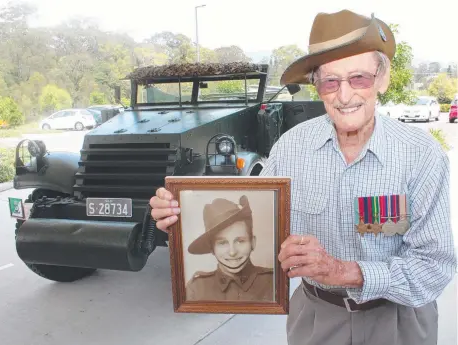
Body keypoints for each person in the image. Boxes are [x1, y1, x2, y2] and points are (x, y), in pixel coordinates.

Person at [149, 9, 456, 345]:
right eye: (330, 81)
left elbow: (433, 267)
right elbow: (256, 217)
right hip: (316, 320)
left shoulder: (420, 154)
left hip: (399, 323)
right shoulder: (292, 147)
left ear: (382, 79)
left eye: (359, 78)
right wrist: (183, 215)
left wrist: (343, 271)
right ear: (317, 86)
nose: (344, 95)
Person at [184, 195, 274, 302]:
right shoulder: (196, 289)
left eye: (240, 241)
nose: (232, 252)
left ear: (253, 243)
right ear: (212, 248)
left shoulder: (273, 281)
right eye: (222, 243)